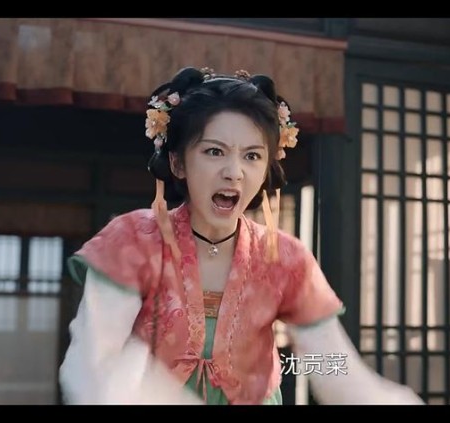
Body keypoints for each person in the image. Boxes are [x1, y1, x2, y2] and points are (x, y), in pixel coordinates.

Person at [58, 67, 424, 405]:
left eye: (252, 156)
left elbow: (333, 366)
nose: (234, 172)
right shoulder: (134, 241)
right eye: (214, 151)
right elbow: (93, 364)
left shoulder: (285, 257)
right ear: (178, 162)